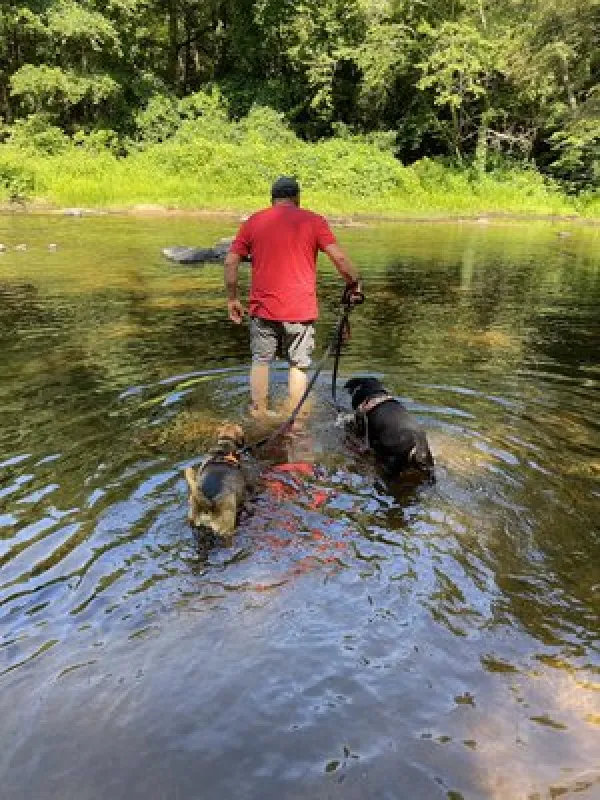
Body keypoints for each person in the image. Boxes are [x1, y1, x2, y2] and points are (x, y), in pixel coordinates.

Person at [224, 176, 362, 417]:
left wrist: (232, 299)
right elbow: (339, 259)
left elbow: (230, 261)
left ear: (272, 199)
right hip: (300, 310)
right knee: (298, 364)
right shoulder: (314, 221)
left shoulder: (254, 221)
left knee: (261, 360)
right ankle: (297, 418)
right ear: (297, 198)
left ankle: (259, 412)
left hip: (263, 309)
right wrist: (354, 282)